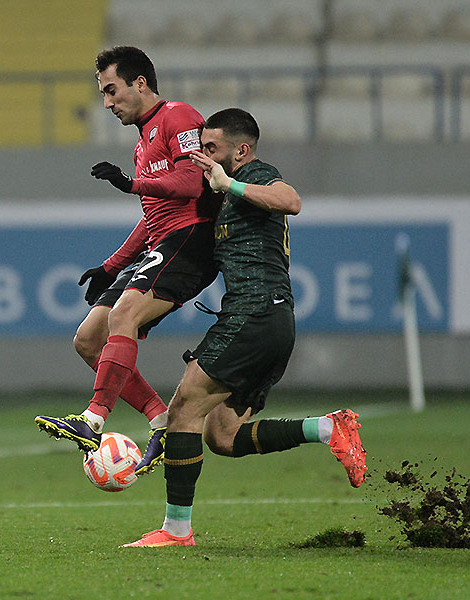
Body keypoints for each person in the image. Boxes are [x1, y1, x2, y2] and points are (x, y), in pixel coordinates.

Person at [121, 108, 367, 548]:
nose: (202, 153)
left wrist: (229, 183)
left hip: (254, 314)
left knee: (182, 410)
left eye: (211, 147)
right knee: (222, 435)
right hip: (270, 321)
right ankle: (329, 429)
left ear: (242, 149)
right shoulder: (221, 191)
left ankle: (176, 531)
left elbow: (291, 200)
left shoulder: (254, 175)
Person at [35, 46, 218, 475]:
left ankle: (93, 419)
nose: (107, 103)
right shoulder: (142, 143)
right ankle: (161, 421)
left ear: (140, 83)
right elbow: (151, 215)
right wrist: (111, 266)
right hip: (162, 240)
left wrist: (132, 183)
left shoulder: (179, 116)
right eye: (103, 94)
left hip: (190, 238)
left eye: (112, 91)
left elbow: (192, 183)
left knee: (125, 315)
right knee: (88, 339)